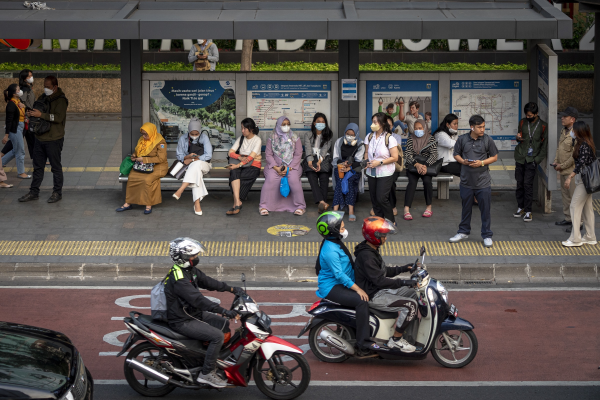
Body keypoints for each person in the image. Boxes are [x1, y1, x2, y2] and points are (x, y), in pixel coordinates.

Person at [164, 237, 243, 388]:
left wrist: (232, 289)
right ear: (183, 258)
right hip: (182, 320)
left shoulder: (189, 270)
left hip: (192, 313)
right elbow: (198, 300)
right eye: (193, 256)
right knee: (217, 336)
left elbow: (208, 282)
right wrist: (223, 311)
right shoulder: (179, 278)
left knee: (224, 324)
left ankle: (208, 357)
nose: (196, 258)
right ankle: (206, 374)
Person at [354, 216, 419, 352]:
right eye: (383, 235)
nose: (386, 238)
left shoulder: (371, 249)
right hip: (374, 295)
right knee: (410, 306)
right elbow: (380, 281)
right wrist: (404, 282)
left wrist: (403, 268)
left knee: (414, 294)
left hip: (379, 290)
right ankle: (396, 340)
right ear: (375, 236)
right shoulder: (367, 256)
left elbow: (382, 272)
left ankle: (406, 333)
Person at [314, 212, 373, 352]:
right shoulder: (330, 251)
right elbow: (339, 275)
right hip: (332, 287)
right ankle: (363, 343)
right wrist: (358, 289)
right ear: (333, 230)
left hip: (342, 282)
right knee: (361, 301)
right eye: (341, 228)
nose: (344, 230)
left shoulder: (334, 241)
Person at [449, 115, 499, 248]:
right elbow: (456, 154)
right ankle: (463, 232)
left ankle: (487, 235)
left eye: (483, 126)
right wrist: (463, 161)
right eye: (479, 127)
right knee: (466, 208)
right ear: (472, 127)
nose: (482, 129)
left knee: (485, 210)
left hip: (483, 182)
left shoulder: (487, 140)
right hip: (466, 181)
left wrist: (481, 163)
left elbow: (494, 157)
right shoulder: (462, 139)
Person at [19, 76, 68, 203]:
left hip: (54, 139)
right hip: (40, 138)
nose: (46, 89)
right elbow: (37, 110)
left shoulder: (61, 100)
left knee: (55, 167)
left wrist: (41, 115)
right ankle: (34, 191)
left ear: (55, 87)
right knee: (38, 167)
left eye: (48, 87)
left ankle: (57, 192)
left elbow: (58, 117)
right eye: (44, 86)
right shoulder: (43, 97)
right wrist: (32, 113)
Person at [116, 123, 168, 214]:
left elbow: (161, 159)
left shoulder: (160, 142)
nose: (144, 136)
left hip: (158, 166)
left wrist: (144, 159)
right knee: (132, 177)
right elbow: (138, 150)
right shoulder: (142, 139)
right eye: (142, 134)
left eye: (146, 134)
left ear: (152, 133)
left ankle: (148, 205)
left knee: (147, 180)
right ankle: (128, 203)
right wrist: (134, 155)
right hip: (142, 165)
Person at [259, 116, 306, 216]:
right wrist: (276, 168)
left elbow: (298, 154)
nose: (286, 126)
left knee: (293, 179)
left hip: (293, 166)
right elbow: (268, 154)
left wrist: (289, 168)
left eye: (288, 124)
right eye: (283, 124)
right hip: (274, 166)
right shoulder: (271, 137)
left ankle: (299, 206)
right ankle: (264, 205)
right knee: (271, 179)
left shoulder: (294, 137)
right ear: (278, 125)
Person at [561, 122, 597, 247]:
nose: (572, 132)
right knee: (587, 209)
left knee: (574, 207)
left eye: (574, 130)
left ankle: (575, 239)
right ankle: (590, 236)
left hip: (584, 180)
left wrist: (569, 177)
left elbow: (581, 163)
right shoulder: (585, 144)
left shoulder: (584, 146)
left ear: (579, 132)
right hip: (586, 179)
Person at [513, 102, 548, 223]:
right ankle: (520, 207)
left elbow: (544, 146)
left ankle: (528, 211)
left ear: (536, 114)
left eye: (530, 115)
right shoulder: (522, 122)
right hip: (520, 156)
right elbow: (519, 137)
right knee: (519, 183)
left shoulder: (543, 126)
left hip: (532, 158)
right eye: (527, 115)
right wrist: (518, 138)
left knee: (528, 185)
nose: (528, 117)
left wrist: (537, 160)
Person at [172, 118, 213, 216]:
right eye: (192, 134)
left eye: (196, 134)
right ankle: (197, 203)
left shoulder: (204, 138)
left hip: (204, 165)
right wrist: (187, 157)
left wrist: (194, 159)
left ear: (199, 131)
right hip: (189, 167)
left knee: (196, 164)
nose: (194, 136)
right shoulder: (183, 138)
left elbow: (208, 155)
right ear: (189, 131)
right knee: (196, 173)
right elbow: (179, 155)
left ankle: (181, 189)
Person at [364, 112, 399, 224]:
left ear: (382, 123)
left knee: (382, 198)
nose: (373, 124)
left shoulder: (390, 138)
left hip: (385, 173)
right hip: (371, 172)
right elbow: (366, 152)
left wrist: (379, 162)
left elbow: (395, 157)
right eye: (372, 121)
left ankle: (391, 221)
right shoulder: (369, 137)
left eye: (375, 122)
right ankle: (379, 221)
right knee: (374, 200)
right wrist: (366, 161)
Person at [225, 118, 262, 215]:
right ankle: (237, 202)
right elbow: (230, 152)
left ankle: (236, 203)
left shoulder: (257, 140)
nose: (242, 131)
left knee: (234, 177)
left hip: (253, 167)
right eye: (242, 128)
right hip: (241, 165)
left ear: (252, 129)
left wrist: (237, 165)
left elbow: (250, 158)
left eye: (245, 128)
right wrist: (240, 157)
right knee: (234, 172)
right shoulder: (241, 138)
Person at [403, 119, 438, 220]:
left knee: (427, 181)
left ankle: (428, 207)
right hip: (413, 166)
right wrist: (416, 164)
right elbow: (408, 154)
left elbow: (434, 155)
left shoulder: (431, 139)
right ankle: (406, 209)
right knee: (412, 183)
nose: (418, 130)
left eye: (420, 128)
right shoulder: (410, 139)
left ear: (425, 128)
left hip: (426, 166)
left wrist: (425, 165)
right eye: (416, 128)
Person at [332, 123, 364, 222]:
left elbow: (359, 161)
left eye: (352, 134)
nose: (349, 136)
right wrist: (343, 164)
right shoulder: (339, 141)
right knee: (340, 180)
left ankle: (351, 211)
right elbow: (335, 158)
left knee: (349, 181)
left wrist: (349, 167)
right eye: (347, 133)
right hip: (340, 166)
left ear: (356, 134)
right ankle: (335, 210)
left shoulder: (360, 143)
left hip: (353, 169)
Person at [1, 69, 35, 161]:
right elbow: (21, 103)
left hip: (27, 118)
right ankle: (1, 157)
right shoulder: (24, 90)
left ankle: (36, 158)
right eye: (29, 76)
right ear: (24, 79)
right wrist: (27, 110)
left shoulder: (28, 88)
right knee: (16, 142)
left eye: (31, 75)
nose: (31, 78)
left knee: (31, 139)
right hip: (24, 119)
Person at [553, 107, 578, 230]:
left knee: (574, 198)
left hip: (571, 172)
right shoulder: (564, 131)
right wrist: (556, 161)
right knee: (565, 196)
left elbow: (574, 156)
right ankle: (569, 219)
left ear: (572, 119)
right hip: (562, 170)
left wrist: (561, 165)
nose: (562, 118)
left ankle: (578, 223)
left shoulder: (576, 133)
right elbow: (559, 148)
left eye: (565, 117)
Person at [304, 113, 333, 213]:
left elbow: (324, 150)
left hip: (323, 160)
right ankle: (322, 202)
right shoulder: (308, 135)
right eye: (318, 122)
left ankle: (322, 202)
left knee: (324, 178)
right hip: (311, 160)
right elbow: (308, 149)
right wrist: (310, 162)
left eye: (323, 122)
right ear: (314, 123)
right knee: (312, 177)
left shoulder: (328, 135)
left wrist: (319, 162)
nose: (321, 123)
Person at [3, 84, 30, 179]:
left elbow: (23, 113)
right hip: (15, 128)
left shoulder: (18, 101)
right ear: (14, 93)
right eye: (18, 90)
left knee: (15, 150)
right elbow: (8, 120)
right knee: (20, 151)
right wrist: (6, 135)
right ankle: (21, 172)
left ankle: (1, 163)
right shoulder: (11, 104)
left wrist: (24, 107)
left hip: (20, 126)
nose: (20, 91)